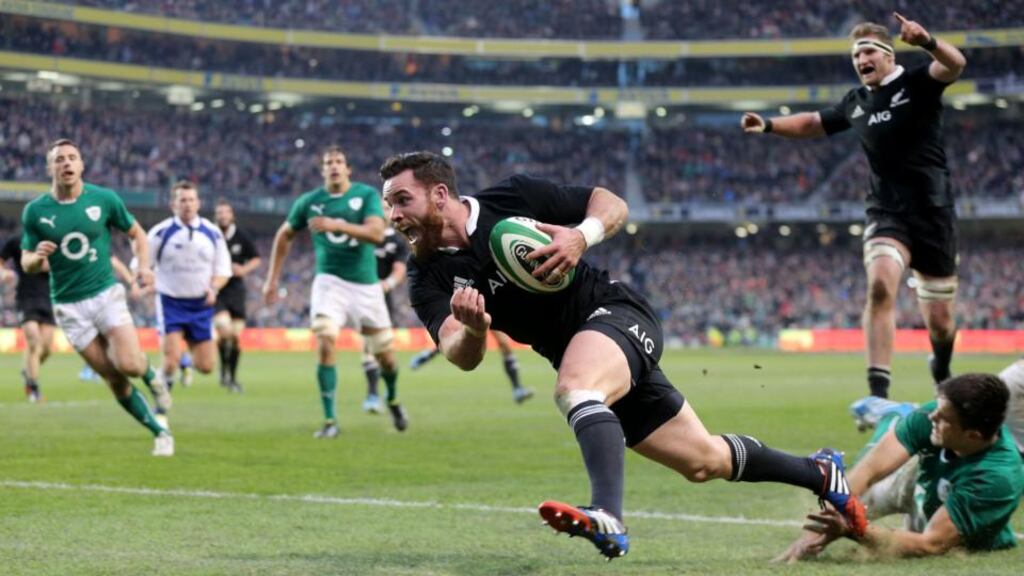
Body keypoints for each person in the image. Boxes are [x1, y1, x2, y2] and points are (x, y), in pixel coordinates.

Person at [380, 151, 864, 560]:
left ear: (439, 194)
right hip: (580, 350)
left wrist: (581, 235)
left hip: (614, 312)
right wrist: (475, 331)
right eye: (388, 205)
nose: (394, 215)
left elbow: (610, 203)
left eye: (403, 200)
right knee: (703, 462)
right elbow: (457, 353)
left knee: (576, 389)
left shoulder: (514, 198)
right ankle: (820, 471)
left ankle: (607, 515)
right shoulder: (426, 275)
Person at [741, 13, 967, 398]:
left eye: (867, 52)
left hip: (933, 212)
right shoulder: (856, 102)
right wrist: (768, 125)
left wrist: (927, 41)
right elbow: (814, 122)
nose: (861, 61)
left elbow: (956, 64)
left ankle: (941, 364)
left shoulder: (917, 83)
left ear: (889, 55)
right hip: (886, 211)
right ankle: (878, 395)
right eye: (855, 57)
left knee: (942, 324)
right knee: (880, 285)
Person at [20, 139, 173, 456]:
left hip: (105, 295)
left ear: (81, 165)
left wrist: (143, 266)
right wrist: (37, 257)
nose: (66, 163)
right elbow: (26, 262)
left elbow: (137, 234)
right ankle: (160, 432)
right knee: (113, 379)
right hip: (68, 307)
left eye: (72, 158)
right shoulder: (35, 212)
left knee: (129, 364)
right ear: (51, 168)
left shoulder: (104, 199)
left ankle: (151, 377)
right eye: (59, 159)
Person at [775, 373, 1023, 561]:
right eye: (936, 409)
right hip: (917, 476)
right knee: (860, 493)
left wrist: (852, 527)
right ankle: (894, 415)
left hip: (945, 513)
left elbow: (931, 544)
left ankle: (892, 416)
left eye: (944, 418)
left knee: (909, 535)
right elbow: (867, 472)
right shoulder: (933, 416)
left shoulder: (998, 478)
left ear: (972, 436)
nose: (932, 417)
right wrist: (812, 536)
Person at [263, 145, 408, 437]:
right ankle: (330, 422)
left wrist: (336, 225)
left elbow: (376, 233)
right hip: (329, 282)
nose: (334, 166)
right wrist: (272, 279)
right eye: (328, 162)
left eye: (339, 161)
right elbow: (284, 235)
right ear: (322, 170)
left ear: (348, 168)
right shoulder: (310, 201)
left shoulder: (365, 195)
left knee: (387, 358)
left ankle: (392, 398)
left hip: (366, 285)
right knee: (326, 339)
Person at [148, 181, 231, 404]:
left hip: (201, 306)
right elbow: (142, 264)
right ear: (172, 204)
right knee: (170, 359)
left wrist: (214, 288)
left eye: (191, 200)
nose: (187, 204)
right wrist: (143, 278)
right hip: (171, 303)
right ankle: (161, 406)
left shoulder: (212, 233)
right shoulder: (160, 232)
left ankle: (187, 363)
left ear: (199, 203)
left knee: (206, 367)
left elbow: (224, 270)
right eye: (182, 200)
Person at [213, 198, 261, 393]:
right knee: (224, 330)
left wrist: (243, 269)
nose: (223, 215)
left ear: (231, 215)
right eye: (220, 212)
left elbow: (256, 258)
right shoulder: (211, 235)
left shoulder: (241, 236)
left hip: (236, 291)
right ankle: (223, 371)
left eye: (226, 212)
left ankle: (231, 377)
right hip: (217, 290)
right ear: (216, 216)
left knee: (235, 338)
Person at [410, 330, 534, 404]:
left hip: (491, 303)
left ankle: (517, 389)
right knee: (458, 338)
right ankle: (428, 355)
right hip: (475, 303)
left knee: (504, 343)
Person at [2, 232, 54, 402]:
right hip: (25, 298)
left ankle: (27, 371)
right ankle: (33, 387)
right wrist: (4, 274)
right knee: (34, 341)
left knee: (46, 349)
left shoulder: (53, 241)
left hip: (48, 298)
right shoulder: (17, 240)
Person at [361, 225, 408, 414]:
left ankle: (392, 396)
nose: (383, 210)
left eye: (388, 207)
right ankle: (372, 394)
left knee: (386, 356)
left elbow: (399, 269)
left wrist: (387, 284)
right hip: (361, 297)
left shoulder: (396, 241)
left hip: (384, 300)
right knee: (367, 346)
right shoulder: (362, 233)